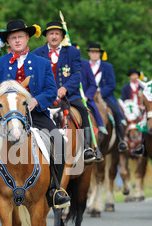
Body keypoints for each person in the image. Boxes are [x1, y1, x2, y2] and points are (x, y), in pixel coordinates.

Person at [0, 19, 70, 208]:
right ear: (8, 42)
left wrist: (36, 101)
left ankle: (55, 189)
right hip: (4, 115)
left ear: (27, 38)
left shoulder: (42, 63)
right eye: (13, 38)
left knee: (58, 140)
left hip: (34, 113)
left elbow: (51, 90)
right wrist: (4, 103)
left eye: (20, 37)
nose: (17, 40)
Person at [33, 21, 102, 163]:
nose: (54, 36)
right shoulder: (37, 53)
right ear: (46, 36)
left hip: (70, 95)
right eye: (51, 33)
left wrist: (65, 88)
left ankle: (88, 148)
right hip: (45, 96)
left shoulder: (73, 52)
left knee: (83, 110)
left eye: (57, 33)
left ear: (62, 36)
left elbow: (77, 74)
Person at [81, 43, 128, 152]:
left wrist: (100, 93)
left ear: (100, 54)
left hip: (103, 95)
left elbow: (111, 84)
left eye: (96, 52)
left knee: (116, 112)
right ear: (89, 53)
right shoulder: (84, 65)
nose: (94, 54)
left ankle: (121, 139)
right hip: (87, 95)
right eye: (92, 52)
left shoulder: (107, 66)